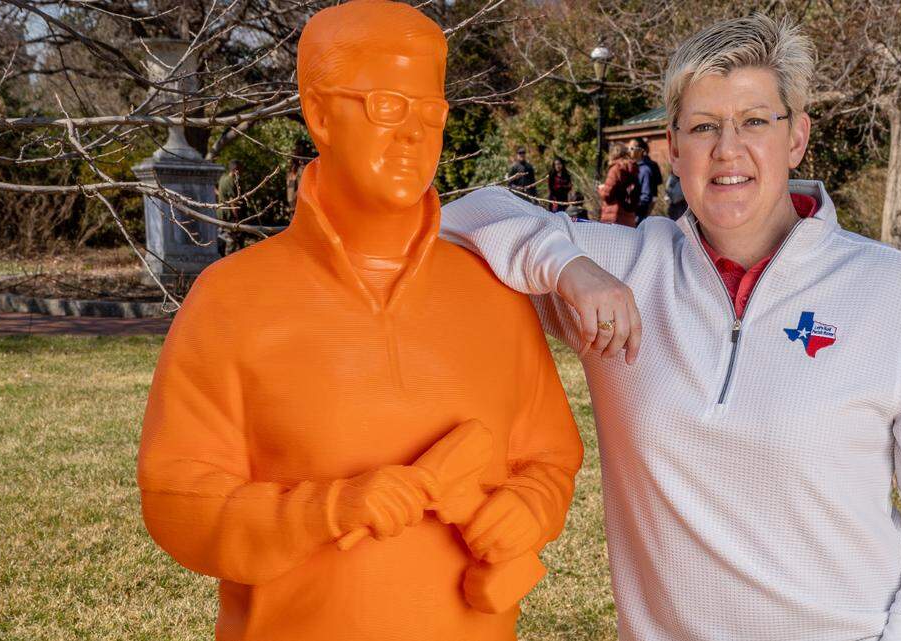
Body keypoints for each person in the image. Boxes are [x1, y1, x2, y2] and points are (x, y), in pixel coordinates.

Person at [441, 13, 901, 641]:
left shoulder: (896, 295)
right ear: (674, 148)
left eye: (755, 121)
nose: (728, 149)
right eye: (704, 126)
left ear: (797, 138)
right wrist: (567, 266)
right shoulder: (627, 269)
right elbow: (458, 218)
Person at [138, 2, 583, 640]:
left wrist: (527, 508)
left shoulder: (496, 294)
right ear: (319, 114)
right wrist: (326, 510)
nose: (414, 133)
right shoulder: (231, 300)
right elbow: (178, 500)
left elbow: (551, 458)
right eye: (387, 106)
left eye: (430, 112)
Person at [597, 142, 639, 226]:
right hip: (629, 215)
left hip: (614, 216)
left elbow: (607, 194)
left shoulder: (615, 169)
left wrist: (601, 189)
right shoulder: (633, 168)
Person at [627, 137, 662, 224]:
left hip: (639, 212)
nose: (628, 151)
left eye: (632, 148)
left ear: (640, 150)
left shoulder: (645, 169)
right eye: (628, 148)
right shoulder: (630, 166)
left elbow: (647, 195)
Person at [216, 160, 246, 256]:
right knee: (231, 239)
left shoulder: (222, 178)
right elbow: (232, 201)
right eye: (241, 169)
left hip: (220, 213)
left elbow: (216, 190)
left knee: (223, 235)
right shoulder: (230, 181)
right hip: (228, 214)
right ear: (236, 170)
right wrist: (237, 217)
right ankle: (228, 259)